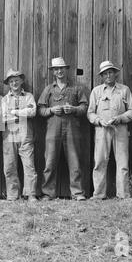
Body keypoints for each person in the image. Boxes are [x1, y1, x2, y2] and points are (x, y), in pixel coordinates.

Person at [38, 57, 87, 201]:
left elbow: (84, 107)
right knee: (50, 162)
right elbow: (40, 109)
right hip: (53, 129)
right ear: (53, 72)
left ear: (66, 70)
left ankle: (77, 193)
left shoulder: (77, 88)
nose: (59, 71)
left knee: (74, 161)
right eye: (56, 69)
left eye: (62, 68)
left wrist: (73, 109)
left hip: (72, 129)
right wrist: (51, 110)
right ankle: (48, 193)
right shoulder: (48, 89)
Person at [87, 60, 132, 200]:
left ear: (115, 74)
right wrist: (99, 120)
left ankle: (123, 195)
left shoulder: (124, 90)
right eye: (105, 73)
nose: (108, 75)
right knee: (99, 162)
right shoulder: (96, 91)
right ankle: (98, 195)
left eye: (110, 72)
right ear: (101, 76)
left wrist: (120, 118)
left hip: (120, 129)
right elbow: (90, 113)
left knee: (122, 162)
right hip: (102, 130)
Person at [1, 68, 38, 202]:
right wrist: (23, 112)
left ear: (21, 81)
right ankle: (12, 195)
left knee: (29, 165)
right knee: (9, 166)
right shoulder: (4, 99)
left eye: (16, 80)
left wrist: (15, 112)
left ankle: (31, 194)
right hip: (9, 135)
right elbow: (3, 118)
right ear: (8, 84)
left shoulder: (28, 96)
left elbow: (32, 111)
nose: (14, 83)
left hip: (25, 134)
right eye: (11, 81)